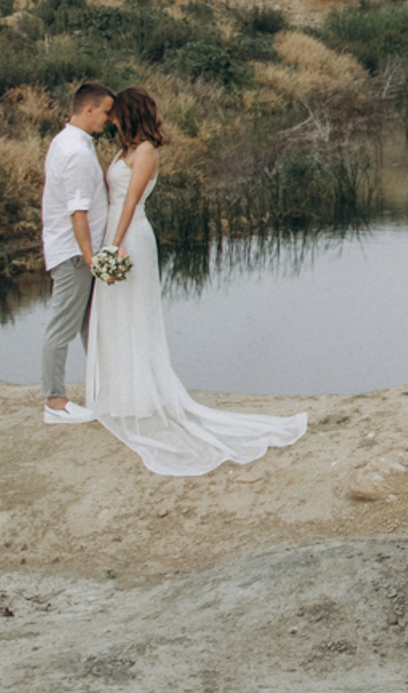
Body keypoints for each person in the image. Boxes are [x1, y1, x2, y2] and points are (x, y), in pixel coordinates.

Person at [71, 86, 309, 477]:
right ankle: (121, 395)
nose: (110, 118)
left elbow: (130, 202)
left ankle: (144, 396)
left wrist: (113, 247)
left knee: (135, 313)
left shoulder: (145, 151)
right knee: (112, 314)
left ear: (129, 114)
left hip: (130, 237)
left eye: (116, 113)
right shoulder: (123, 150)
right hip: (112, 233)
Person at [39, 80, 115, 419]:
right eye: (106, 112)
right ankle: (54, 401)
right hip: (73, 253)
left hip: (72, 250)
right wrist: (91, 259)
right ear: (89, 109)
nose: (109, 120)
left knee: (88, 325)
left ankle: (102, 392)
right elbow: (77, 212)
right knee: (63, 326)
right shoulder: (76, 152)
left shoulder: (68, 142)